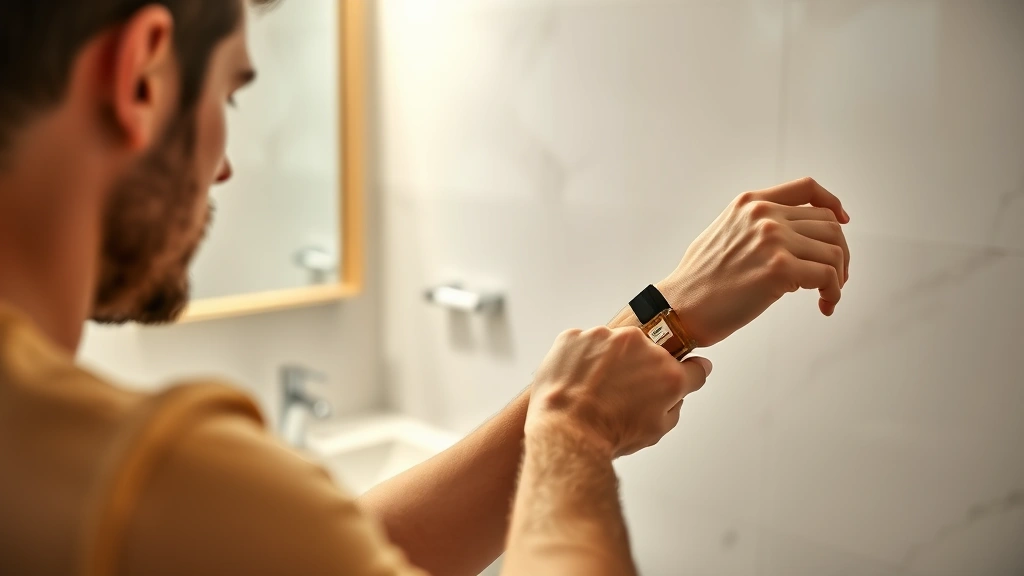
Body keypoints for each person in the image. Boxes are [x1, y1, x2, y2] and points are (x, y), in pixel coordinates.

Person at [0, 1, 852, 575]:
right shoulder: (137, 482)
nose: (224, 165)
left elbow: (326, 550)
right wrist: (577, 432)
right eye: (228, 90)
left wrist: (654, 322)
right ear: (142, 74)